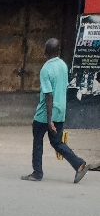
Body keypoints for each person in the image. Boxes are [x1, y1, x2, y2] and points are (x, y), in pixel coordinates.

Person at [22, 38, 88, 184]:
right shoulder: (63, 65)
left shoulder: (46, 69)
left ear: (45, 51)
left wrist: (49, 119)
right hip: (60, 110)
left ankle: (37, 173)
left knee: (37, 141)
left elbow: (48, 95)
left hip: (45, 113)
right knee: (56, 142)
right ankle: (79, 164)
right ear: (58, 50)